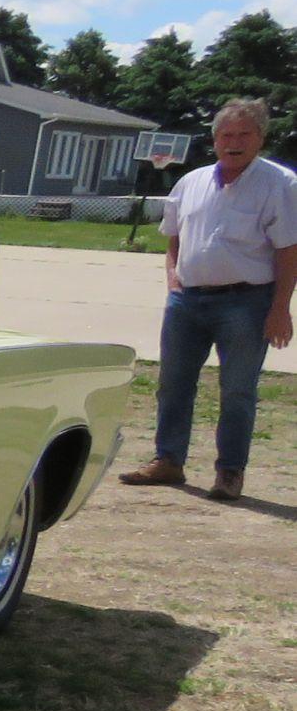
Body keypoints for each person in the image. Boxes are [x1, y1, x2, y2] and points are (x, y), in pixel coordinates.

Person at [118, 97, 297, 502]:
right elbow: (174, 239)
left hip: (246, 302)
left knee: (237, 389)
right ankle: (168, 460)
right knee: (174, 384)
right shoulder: (191, 182)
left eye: (243, 134)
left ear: (260, 138)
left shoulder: (280, 184)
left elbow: (289, 249)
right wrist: (173, 282)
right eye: (226, 135)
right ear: (215, 139)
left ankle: (229, 471)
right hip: (188, 302)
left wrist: (280, 308)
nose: (233, 142)